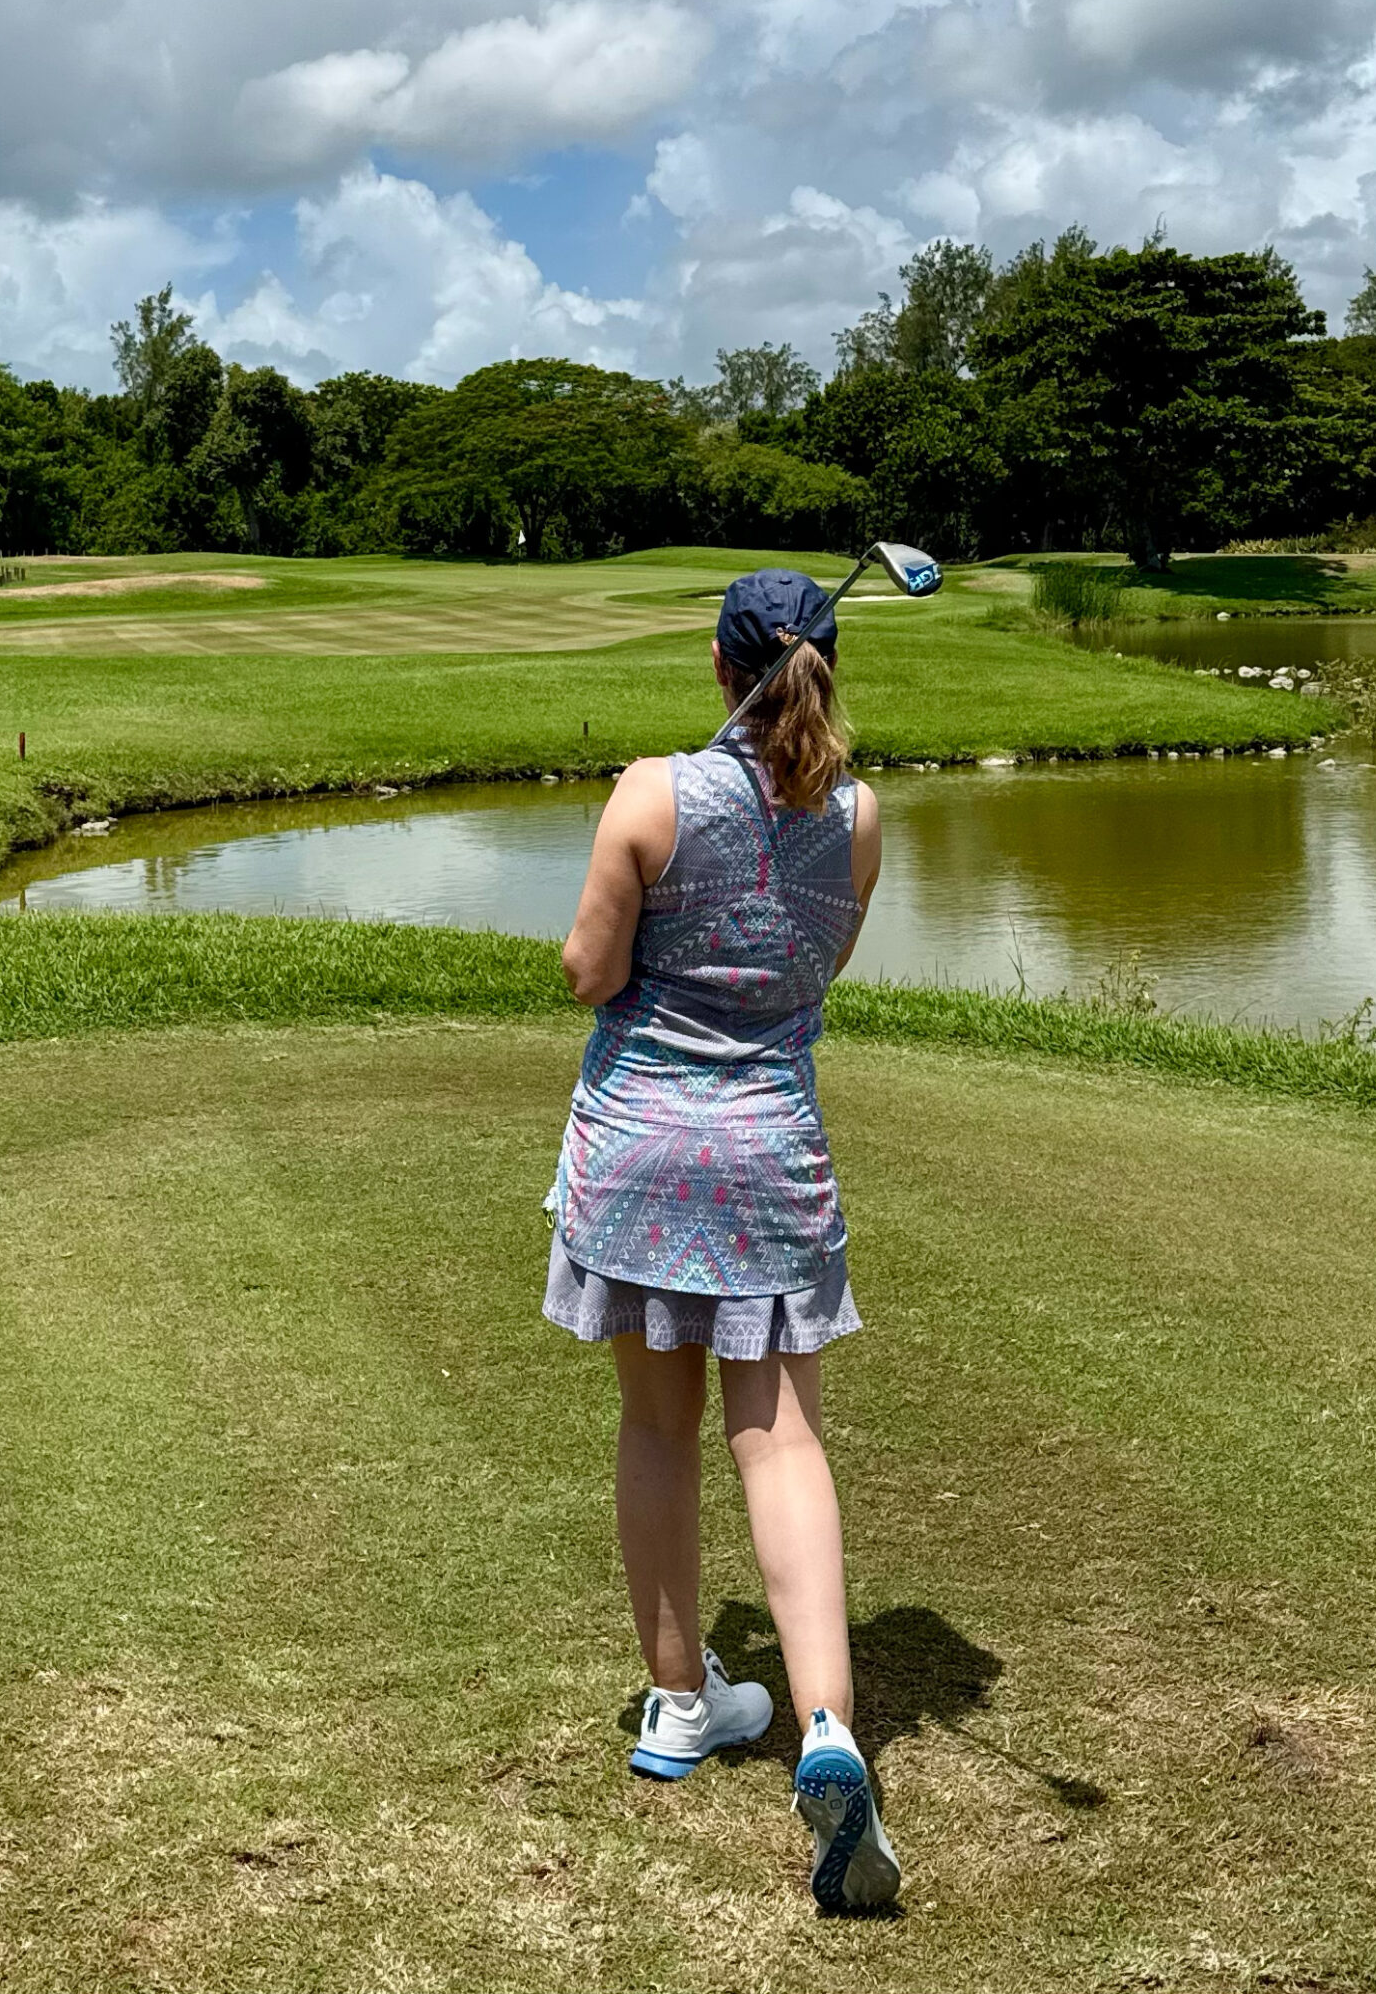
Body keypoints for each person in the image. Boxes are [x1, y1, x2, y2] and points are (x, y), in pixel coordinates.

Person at [544, 567, 902, 1915]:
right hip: (771, 1158)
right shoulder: (858, 816)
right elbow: (816, 971)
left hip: (639, 1150)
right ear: (827, 668)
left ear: (719, 665)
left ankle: (680, 1703)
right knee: (783, 1441)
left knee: (658, 1426)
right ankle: (826, 1728)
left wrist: (645, 898)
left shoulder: (650, 793)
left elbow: (589, 971)